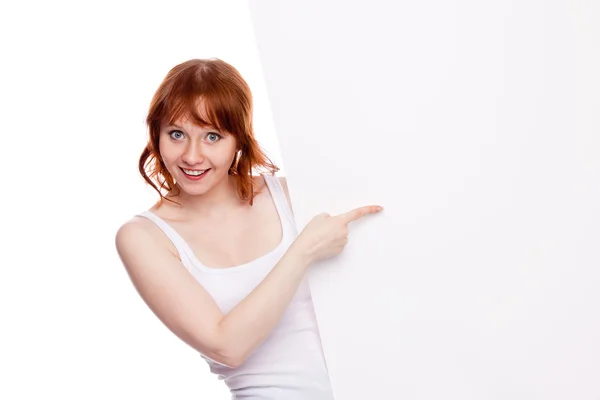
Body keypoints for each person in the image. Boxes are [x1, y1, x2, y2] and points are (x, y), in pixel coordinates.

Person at [114, 58, 383, 399]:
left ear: (238, 139)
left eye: (212, 136)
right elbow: (227, 346)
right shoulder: (144, 237)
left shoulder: (291, 195)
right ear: (156, 135)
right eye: (177, 134)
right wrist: (303, 251)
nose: (192, 156)